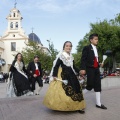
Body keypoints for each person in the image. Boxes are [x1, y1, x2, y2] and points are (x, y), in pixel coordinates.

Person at [43, 41, 86, 114]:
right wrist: (54, 75)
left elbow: (74, 67)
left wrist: (79, 71)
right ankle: (62, 106)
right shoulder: (62, 56)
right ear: (64, 47)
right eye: (67, 46)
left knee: (76, 89)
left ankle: (78, 106)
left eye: (70, 46)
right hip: (64, 74)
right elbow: (56, 66)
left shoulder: (71, 56)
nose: (68, 47)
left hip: (72, 75)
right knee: (63, 91)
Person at [80, 33, 107, 110]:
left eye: (97, 39)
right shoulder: (87, 48)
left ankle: (98, 103)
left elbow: (95, 60)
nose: (97, 40)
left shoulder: (97, 49)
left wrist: (100, 64)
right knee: (90, 86)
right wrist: (83, 68)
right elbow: (83, 59)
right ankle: (79, 97)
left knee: (98, 86)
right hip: (90, 69)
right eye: (95, 39)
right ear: (91, 40)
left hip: (96, 69)